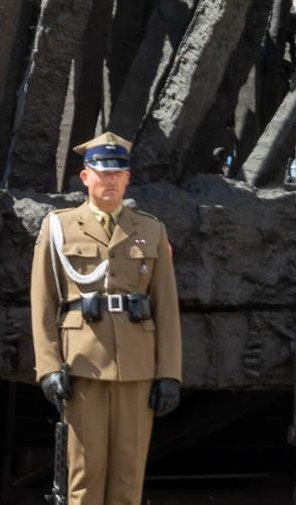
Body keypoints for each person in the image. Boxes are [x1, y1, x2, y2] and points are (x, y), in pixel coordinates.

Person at [30, 132, 183, 505]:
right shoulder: (59, 227)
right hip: (83, 367)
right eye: (102, 171)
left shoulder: (150, 229)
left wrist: (169, 374)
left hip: (136, 367)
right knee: (85, 478)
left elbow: (166, 307)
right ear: (86, 177)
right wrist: (48, 368)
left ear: (127, 177)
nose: (110, 179)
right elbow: (44, 302)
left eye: (118, 172)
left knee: (129, 478)